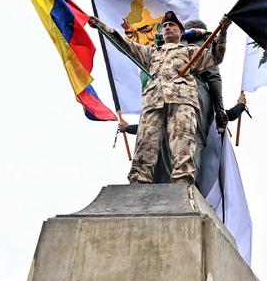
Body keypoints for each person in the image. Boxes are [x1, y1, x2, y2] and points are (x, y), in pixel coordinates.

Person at [89, 11, 231, 185]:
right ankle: (138, 181)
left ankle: (183, 183)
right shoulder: (152, 53)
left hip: (182, 101)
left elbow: (216, 57)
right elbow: (125, 45)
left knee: (183, 142)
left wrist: (223, 30)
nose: (167, 28)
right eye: (164, 26)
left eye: (172, 25)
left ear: (180, 32)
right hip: (153, 102)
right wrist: (102, 27)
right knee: (145, 143)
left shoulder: (191, 51)